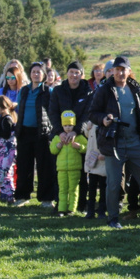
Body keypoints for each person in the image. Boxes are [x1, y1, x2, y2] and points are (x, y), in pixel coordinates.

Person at [87, 56, 140, 228]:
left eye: (124, 69)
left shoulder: (135, 88)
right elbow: (92, 113)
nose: (121, 72)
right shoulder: (105, 90)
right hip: (114, 142)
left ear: (129, 72)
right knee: (114, 184)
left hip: (136, 141)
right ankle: (113, 218)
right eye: (118, 69)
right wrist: (103, 119)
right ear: (113, 71)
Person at [49, 61, 93, 210]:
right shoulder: (58, 91)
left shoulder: (88, 92)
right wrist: (60, 132)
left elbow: (88, 114)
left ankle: (80, 204)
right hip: (60, 137)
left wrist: (76, 131)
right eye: (71, 72)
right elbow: (53, 113)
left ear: (82, 75)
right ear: (67, 73)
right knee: (60, 173)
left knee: (81, 173)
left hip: (80, 137)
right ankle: (60, 204)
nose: (74, 75)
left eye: (77, 72)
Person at [15, 62, 53, 208]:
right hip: (24, 132)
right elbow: (18, 109)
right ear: (30, 74)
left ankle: (46, 199)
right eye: (33, 72)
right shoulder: (23, 91)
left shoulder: (48, 91)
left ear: (43, 75)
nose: (36, 74)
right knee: (24, 165)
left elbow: (51, 110)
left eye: (39, 72)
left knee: (44, 166)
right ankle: (22, 196)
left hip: (41, 133)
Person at [50, 110, 87, 215]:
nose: (68, 128)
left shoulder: (79, 137)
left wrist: (79, 147)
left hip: (75, 168)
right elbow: (52, 150)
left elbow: (87, 147)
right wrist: (58, 146)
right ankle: (61, 208)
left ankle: (72, 208)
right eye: (65, 125)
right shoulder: (58, 138)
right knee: (62, 189)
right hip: (61, 169)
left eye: (70, 125)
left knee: (73, 189)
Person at [0, 95, 18, 203]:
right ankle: (4, 194)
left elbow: (6, 134)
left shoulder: (7, 119)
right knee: (1, 173)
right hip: (1, 151)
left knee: (5, 173)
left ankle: (9, 195)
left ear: (3, 107)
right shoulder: (2, 118)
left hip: (5, 151)